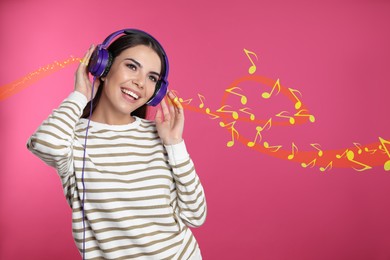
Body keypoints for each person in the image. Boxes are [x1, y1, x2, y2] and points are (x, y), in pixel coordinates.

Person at [27, 29, 207, 259]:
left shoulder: (160, 136)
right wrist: (80, 93)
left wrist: (175, 144)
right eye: (132, 66)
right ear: (102, 67)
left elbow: (196, 215)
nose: (140, 83)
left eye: (152, 78)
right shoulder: (72, 137)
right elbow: (45, 144)